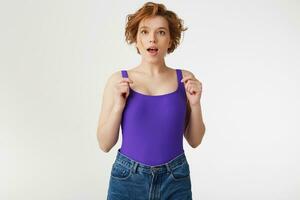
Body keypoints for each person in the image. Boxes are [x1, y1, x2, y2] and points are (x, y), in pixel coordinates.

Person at [97, 2, 206, 199]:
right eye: (145, 32)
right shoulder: (118, 80)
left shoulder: (185, 79)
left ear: (171, 40)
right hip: (127, 180)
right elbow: (104, 144)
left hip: (175, 178)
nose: (152, 39)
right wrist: (118, 107)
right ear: (136, 39)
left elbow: (195, 140)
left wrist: (195, 104)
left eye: (161, 32)